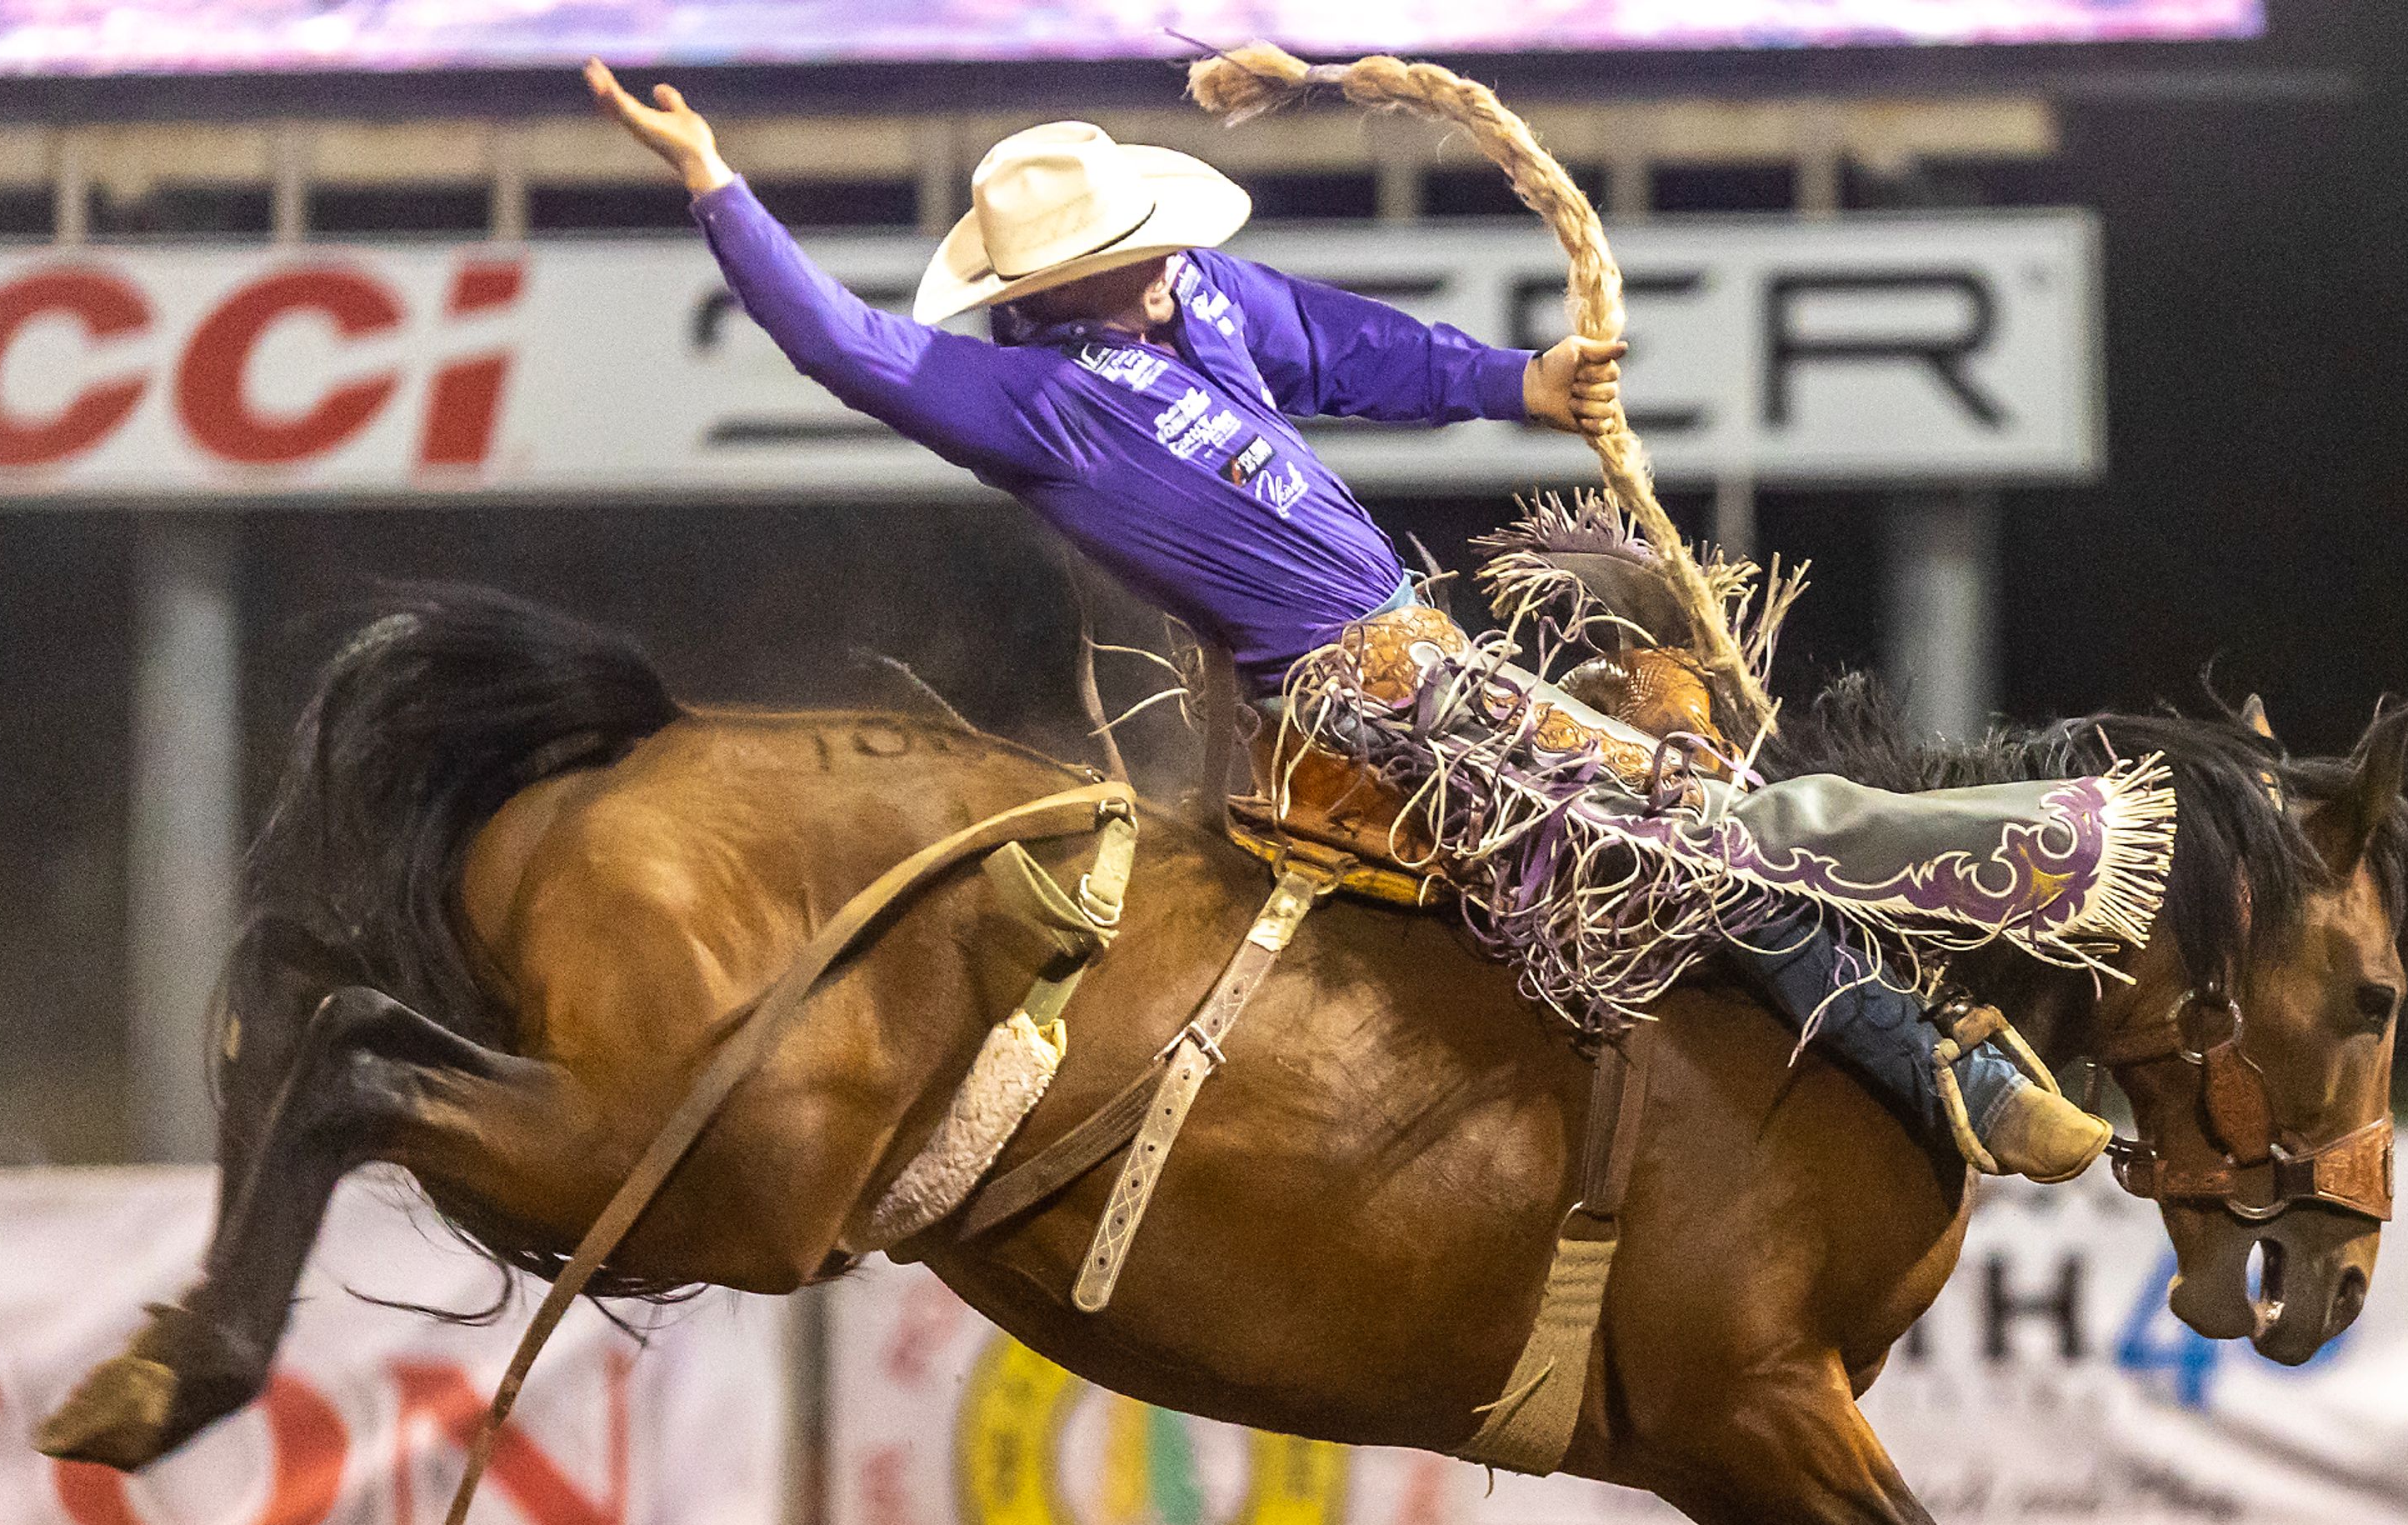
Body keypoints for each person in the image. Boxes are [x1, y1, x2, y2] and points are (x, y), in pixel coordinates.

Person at [585, 62, 2115, 1181]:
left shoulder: (1205, 308)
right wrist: (719, 185)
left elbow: (1353, 346)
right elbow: (843, 344)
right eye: (1135, 241)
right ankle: (1940, 1063)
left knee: (1672, 760)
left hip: (1423, 652)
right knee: (1680, 816)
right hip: (1364, 696)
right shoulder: (1038, 402)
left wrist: (1514, 385)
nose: (1166, 255)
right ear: (1088, 276)